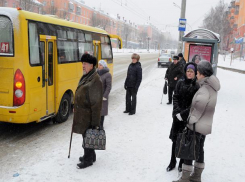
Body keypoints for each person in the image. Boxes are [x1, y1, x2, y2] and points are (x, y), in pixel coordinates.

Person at [173, 60, 220, 182]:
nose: (196, 75)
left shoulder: (204, 89)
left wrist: (186, 120)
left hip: (196, 126)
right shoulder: (210, 86)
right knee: (199, 149)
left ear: (203, 74)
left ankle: (185, 178)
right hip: (204, 125)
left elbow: (197, 111)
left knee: (189, 151)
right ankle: (196, 176)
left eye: (198, 72)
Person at [167, 62, 199, 173]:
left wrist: (183, 114)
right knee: (175, 140)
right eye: (188, 71)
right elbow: (175, 97)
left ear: (195, 73)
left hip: (187, 118)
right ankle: (172, 161)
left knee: (184, 141)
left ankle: (181, 162)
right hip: (177, 117)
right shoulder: (180, 83)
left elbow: (194, 104)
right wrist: (176, 112)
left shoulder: (196, 86)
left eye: (192, 72)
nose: (189, 73)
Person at [72, 53, 103, 169]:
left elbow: (96, 104)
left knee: (88, 136)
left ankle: (88, 159)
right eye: (82, 64)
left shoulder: (95, 80)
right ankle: (91, 155)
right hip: (83, 114)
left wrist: (95, 123)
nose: (83, 66)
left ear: (91, 65)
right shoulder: (87, 76)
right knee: (86, 136)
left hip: (89, 115)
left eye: (85, 64)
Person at [97, 60, 112, 129]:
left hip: (103, 96)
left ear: (104, 66)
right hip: (96, 95)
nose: (99, 66)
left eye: (100, 65)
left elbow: (108, 86)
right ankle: (96, 124)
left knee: (102, 111)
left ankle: (101, 125)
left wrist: (105, 96)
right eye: (98, 65)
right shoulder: (96, 73)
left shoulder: (107, 75)